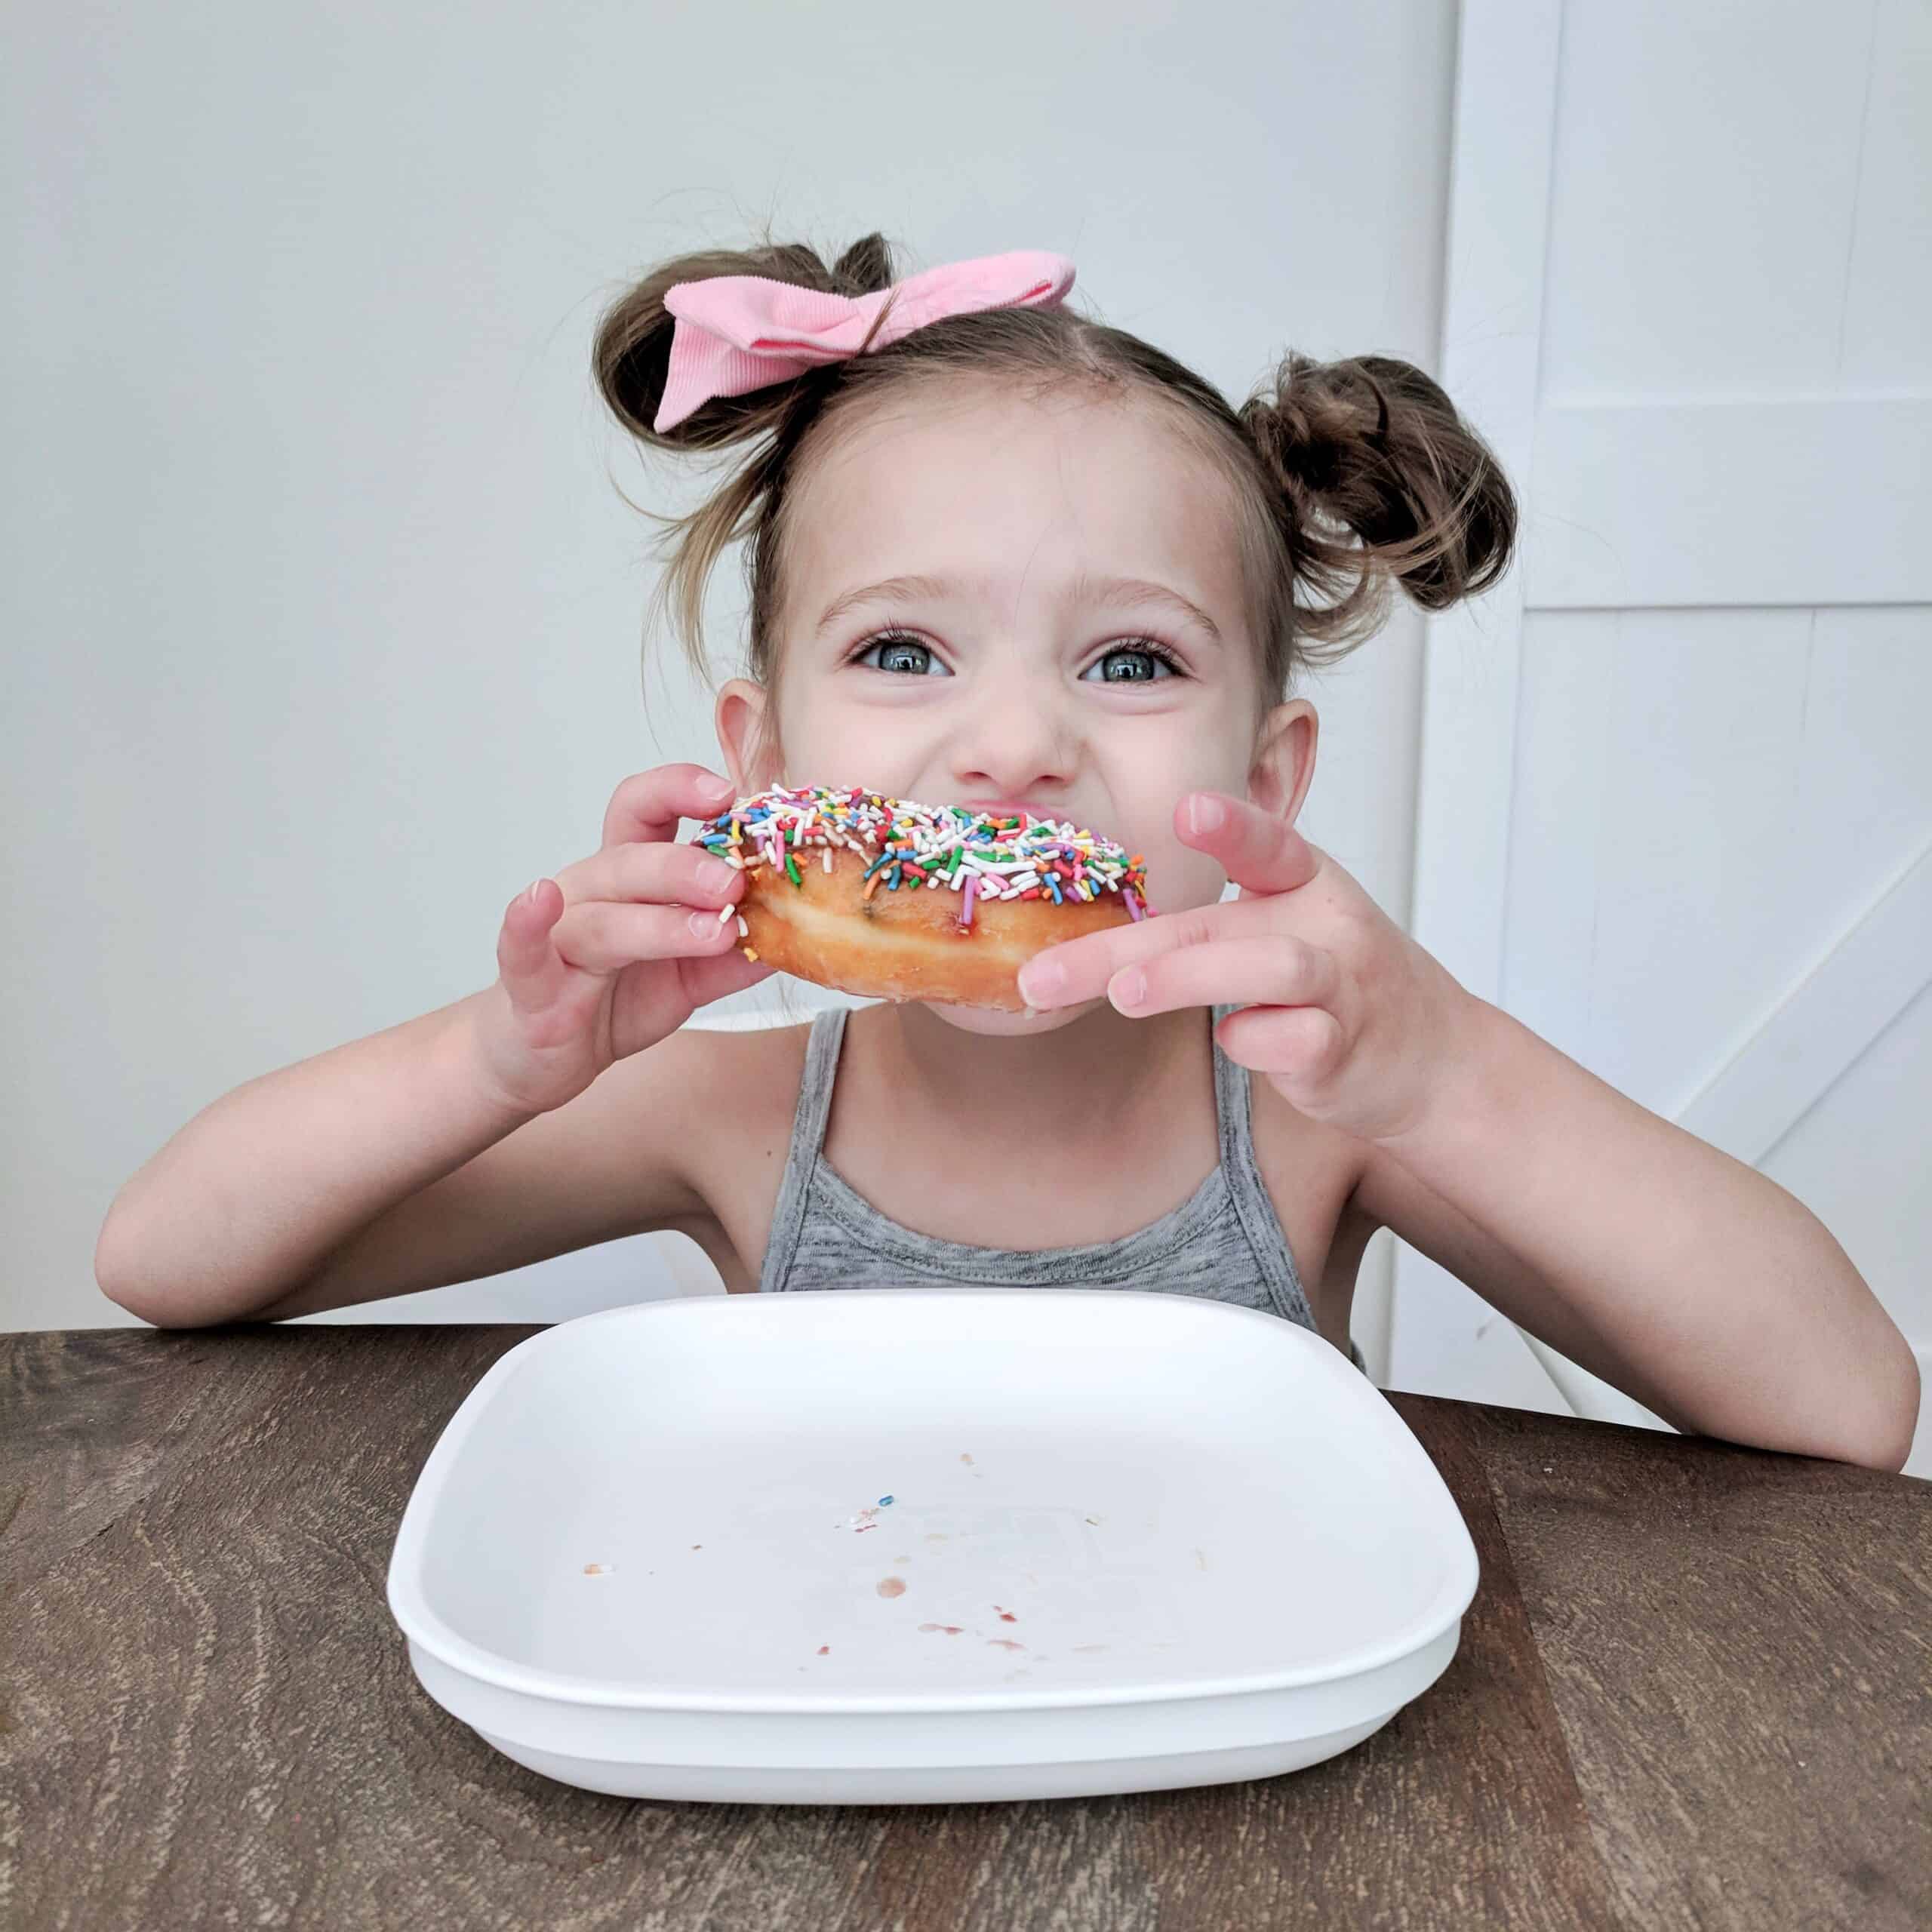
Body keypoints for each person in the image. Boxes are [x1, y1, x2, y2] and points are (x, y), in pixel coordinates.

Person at [95, 235, 1918, 1471]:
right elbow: (165, 1255)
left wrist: (1441, 1063)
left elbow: (1842, 1403)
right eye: (903, 651)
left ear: (1265, 783)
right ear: (764, 761)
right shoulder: (727, 1122)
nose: (1016, 743)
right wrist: (496, 1058)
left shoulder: (1312, 1129)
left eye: (1129, 661)